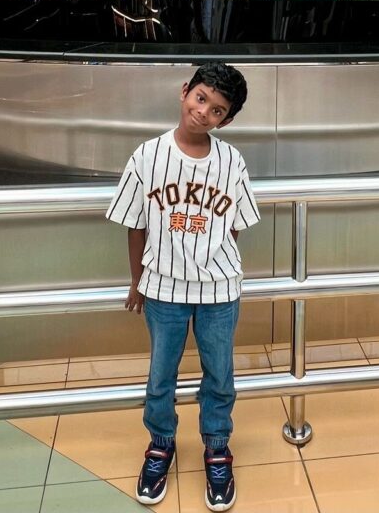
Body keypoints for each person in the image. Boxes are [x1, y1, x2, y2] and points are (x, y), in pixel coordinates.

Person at [106, 61, 259, 511]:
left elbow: (235, 225)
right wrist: (138, 282)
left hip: (219, 293)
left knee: (220, 374)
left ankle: (217, 448)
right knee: (161, 375)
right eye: (201, 98)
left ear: (225, 121)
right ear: (185, 91)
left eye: (217, 110)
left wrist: (213, 262)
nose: (203, 111)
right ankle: (160, 445)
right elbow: (135, 224)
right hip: (163, 290)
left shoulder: (231, 161)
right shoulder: (147, 156)